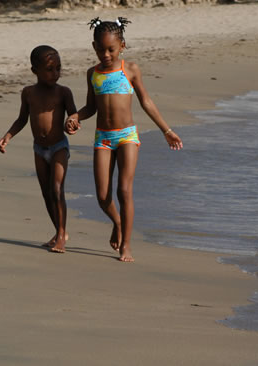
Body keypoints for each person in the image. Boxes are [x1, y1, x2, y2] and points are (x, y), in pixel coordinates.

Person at [65, 18, 183, 262]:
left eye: (111, 49)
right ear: (94, 46)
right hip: (103, 138)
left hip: (127, 136)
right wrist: (76, 117)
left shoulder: (130, 70)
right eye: (100, 49)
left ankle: (126, 245)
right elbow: (90, 107)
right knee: (102, 195)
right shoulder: (92, 74)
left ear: (122, 46)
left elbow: (146, 102)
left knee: (124, 190)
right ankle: (117, 223)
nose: (105, 54)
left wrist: (166, 130)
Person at [0, 45, 77, 253]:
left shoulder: (64, 93)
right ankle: (59, 230)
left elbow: (73, 116)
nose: (55, 74)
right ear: (35, 71)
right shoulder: (28, 93)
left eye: (58, 68)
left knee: (57, 189)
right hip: (39, 150)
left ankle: (61, 235)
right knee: (46, 193)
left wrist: (73, 124)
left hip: (59, 147)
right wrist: (8, 136)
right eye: (50, 69)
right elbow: (22, 119)